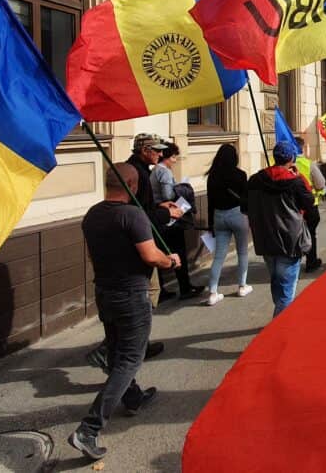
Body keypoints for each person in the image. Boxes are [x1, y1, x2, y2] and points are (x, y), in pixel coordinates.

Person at [69, 162, 182, 461]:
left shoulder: (93, 214)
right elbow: (150, 255)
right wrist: (170, 261)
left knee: (119, 350)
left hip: (105, 291)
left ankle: (132, 397)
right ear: (132, 185)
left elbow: (93, 257)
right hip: (131, 295)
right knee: (129, 360)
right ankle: (88, 429)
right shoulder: (133, 215)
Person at [247, 142, 315, 317]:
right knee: (286, 289)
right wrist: (300, 178)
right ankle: (279, 330)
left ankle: (280, 317)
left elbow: (245, 206)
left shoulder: (255, 180)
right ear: (291, 158)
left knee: (278, 283)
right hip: (290, 240)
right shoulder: (295, 182)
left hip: (266, 238)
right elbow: (309, 204)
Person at [147, 140, 204, 303]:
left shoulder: (155, 171)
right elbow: (167, 195)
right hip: (170, 218)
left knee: (166, 251)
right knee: (178, 251)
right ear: (166, 157)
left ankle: (164, 289)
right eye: (173, 157)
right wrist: (180, 188)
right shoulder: (164, 172)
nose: (175, 160)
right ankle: (185, 288)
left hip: (162, 218)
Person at [204, 143, 250, 306]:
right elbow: (246, 198)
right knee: (243, 252)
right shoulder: (240, 174)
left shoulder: (212, 176)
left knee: (218, 256)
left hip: (218, 215)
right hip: (238, 214)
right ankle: (242, 286)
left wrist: (211, 224)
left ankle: (212, 292)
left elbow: (210, 202)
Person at [295, 140, 326, 272]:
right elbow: (320, 184)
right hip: (309, 205)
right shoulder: (309, 164)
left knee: (293, 235)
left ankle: (293, 263)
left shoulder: (284, 164)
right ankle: (311, 261)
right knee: (310, 234)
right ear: (303, 148)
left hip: (291, 207)